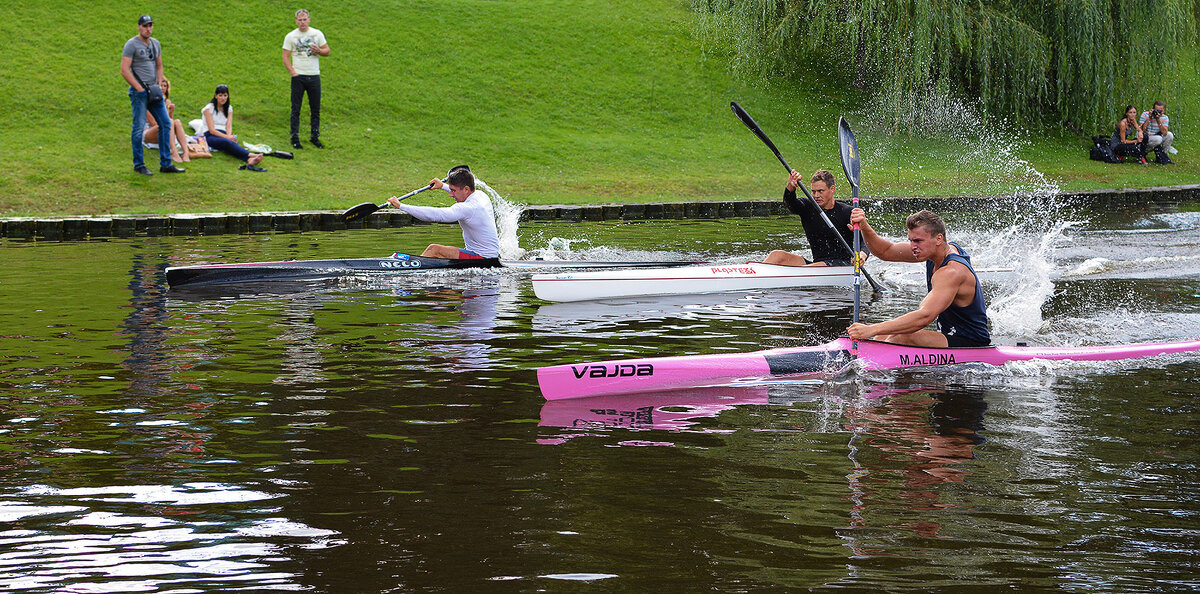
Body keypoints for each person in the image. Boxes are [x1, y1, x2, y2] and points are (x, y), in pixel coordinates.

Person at [846, 209, 990, 347]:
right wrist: (864, 227)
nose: (913, 246)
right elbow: (886, 251)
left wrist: (872, 328)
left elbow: (924, 317)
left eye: (918, 241)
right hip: (949, 334)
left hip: (971, 342)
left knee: (901, 337)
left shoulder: (951, 272)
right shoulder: (934, 249)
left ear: (939, 238)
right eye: (911, 240)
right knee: (883, 336)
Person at [386, 167, 500, 259]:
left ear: (466, 189)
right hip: (487, 255)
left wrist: (401, 206)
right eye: (450, 190)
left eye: (453, 191)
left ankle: (409, 278)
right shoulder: (481, 195)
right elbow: (459, 192)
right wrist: (442, 186)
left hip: (482, 258)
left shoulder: (467, 208)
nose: (451, 194)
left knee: (434, 250)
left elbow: (436, 215)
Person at [120, 14, 184, 176]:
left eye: (150, 25)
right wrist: (138, 88)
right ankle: (139, 164)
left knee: (165, 123)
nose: (148, 29)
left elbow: (159, 65)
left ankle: (165, 163)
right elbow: (124, 70)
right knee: (138, 127)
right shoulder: (131, 45)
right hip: (139, 93)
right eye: (145, 25)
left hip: (154, 92)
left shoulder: (155, 44)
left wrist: (158, 83)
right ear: (139, 27)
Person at [762, 169, 862, 266]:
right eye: (813, 191)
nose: (816, 195)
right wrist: (791, 187)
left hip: (843, 264)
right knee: (777, 255)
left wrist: (862, 255)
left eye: (820, 191)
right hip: (815, 265)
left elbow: (864, 240)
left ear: (832, 189)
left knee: (819, 265)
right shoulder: (808, 207)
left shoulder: (848, 212)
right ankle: (756, 276)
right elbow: (791, 204)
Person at [282, 8, 330, 149]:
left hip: (314, 75)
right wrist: (293, 72)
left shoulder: (317, 34)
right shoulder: (290, 36)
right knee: (295, 108)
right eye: (299, 20)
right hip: (299, 76)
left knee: (315, 108)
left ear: (309, 19)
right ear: (296, 21)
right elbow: (285, 56)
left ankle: (314, 137)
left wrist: (319, 51)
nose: (302, 22)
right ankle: (294, 137)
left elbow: (327, 51)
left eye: (304, 19)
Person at [197, 84, 266, 171]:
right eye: (220, 95)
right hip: (210, 135)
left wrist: (229, 136)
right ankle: (251, 155)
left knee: (230, 144)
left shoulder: (229, 108)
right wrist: (227, 137)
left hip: (224, 134)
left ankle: (249, 160)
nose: (223, 98)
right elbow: (212, 130)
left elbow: (228, 125)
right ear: (215, 96)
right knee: (226, 142)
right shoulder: (208, 108)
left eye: (225, 95)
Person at [142, 78, 202, 163]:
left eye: (165, 86)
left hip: (163, 131)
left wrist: (171, 112)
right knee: (169, 122)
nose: (162, 88)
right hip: (148, 133)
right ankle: (174, 152)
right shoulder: (148, 104)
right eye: (160, 86)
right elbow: (155, 123)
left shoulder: (166, 101)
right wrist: (168, 111)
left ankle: (186, 153)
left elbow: (170, 121)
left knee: (177, 122)